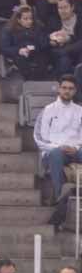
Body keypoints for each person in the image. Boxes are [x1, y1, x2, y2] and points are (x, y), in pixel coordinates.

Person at [35, 76, 82, 204]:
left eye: (70, 89)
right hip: (55, 151)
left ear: (75, 91)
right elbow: (38, 138)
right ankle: (60, 198)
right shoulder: (47, 110)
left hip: (76, 151)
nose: (67, 91)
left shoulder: (80, 111)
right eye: (64, 88)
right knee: (55, 155)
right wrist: (58, 147)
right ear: (59, 89)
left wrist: (76, 148)